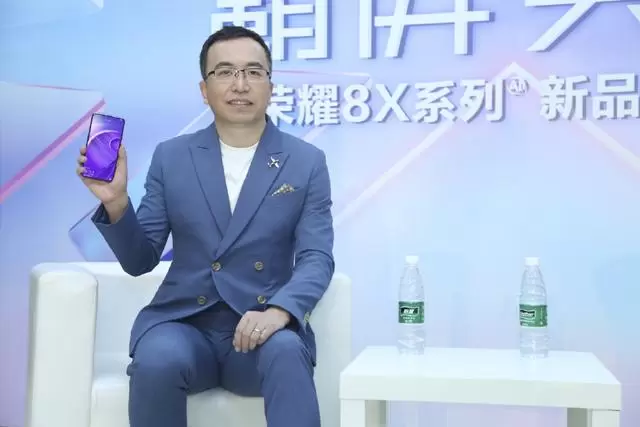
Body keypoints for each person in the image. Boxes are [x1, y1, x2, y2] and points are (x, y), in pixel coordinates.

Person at [76, 25, 334, 427]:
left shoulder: (306, 161)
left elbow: (317, 256)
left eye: (253, 72)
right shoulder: (172, 156)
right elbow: (140, 260)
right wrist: (117, 202)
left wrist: (281, 310)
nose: (240, 84)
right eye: (225, 72)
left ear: (271, 86)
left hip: (260, 322)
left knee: (286, 351)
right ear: (204, 89)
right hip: (184, 323)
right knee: (156, 359)